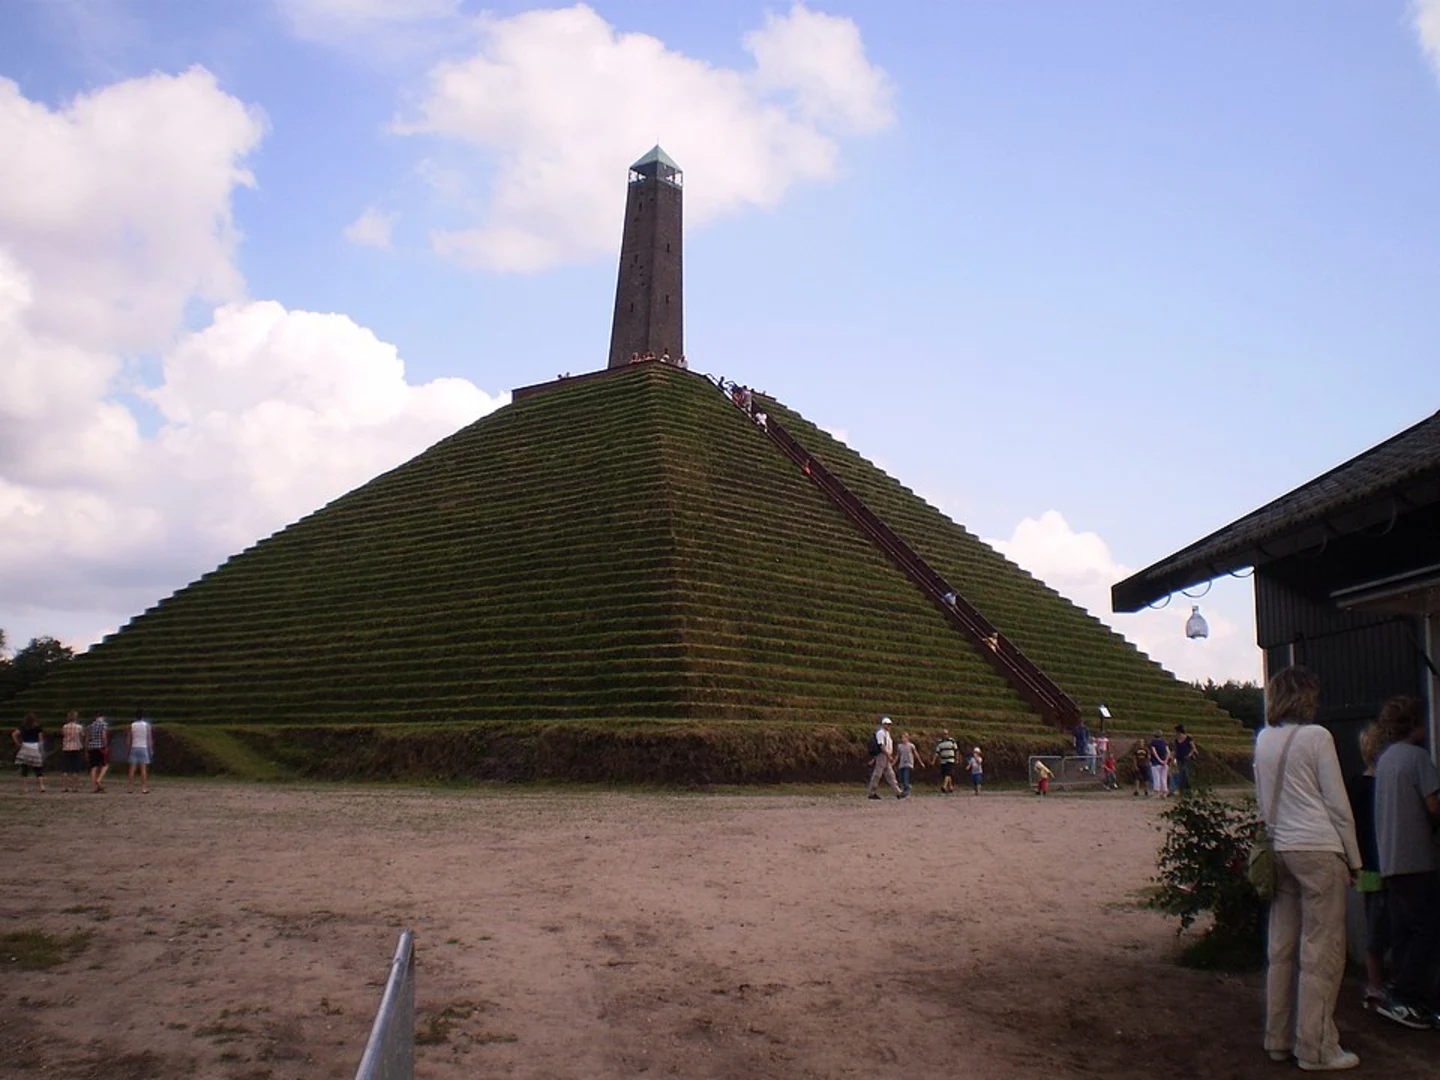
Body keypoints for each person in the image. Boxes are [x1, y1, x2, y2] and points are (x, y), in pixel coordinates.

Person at [1255, 665, 1361, 1071]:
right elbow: (1337, 804)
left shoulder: (1264, 739)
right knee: (1322, 950)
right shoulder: (1317, 737)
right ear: (1307, 697)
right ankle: (1316, 1048)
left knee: (1281, 947)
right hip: (1318, 848)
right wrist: (1355, 858)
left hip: (1281, 847)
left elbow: (1264, 799)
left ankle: (1277, 1038)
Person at [1372, 695, 1440, 1029]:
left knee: (1403, 932)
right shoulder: (1418, 758)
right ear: (1414, 723)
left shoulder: (1385, 760)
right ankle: (1407, 994)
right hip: (1417, 859)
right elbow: (1434, 806)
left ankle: (1401, 996)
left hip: (1391, 859)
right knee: (1428, 929)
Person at [1344, 722, 1390, 1014]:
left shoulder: (1356, 786)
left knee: (1375, 921)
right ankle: (1377, 984)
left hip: (1367, 865)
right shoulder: (1381, 787)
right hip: (1380, 864)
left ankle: (1376, 983)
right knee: (1379, 923)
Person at [867, 716, 902, 800]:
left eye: (889, 724)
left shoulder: (886, 733)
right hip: (882, 755)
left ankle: (898, 792)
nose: (889, 726)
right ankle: (872, 792)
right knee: (878, 774)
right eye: (887, 724)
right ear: (883, 724)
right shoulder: (881, 733)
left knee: (890, 775)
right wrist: (888, 755)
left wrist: (889, 755)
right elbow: (881, 745)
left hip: (885, 755)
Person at [11, 713, 46, 793]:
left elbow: (14, 734)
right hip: (34, 746)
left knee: (25, 768)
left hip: (25, 746)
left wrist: (17, 743)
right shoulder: (38, 727)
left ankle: (26, 787)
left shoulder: (23, 727)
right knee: (37, 767)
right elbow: (40, 738)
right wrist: (41, 748)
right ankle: (41, 786)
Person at [127, 708, 154, 794]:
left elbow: (129, 739)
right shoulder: (147, 725)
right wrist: (151, 749)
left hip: (134, 747)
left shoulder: (132, 725)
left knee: (132, 769)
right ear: (143, 716)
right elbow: (149, 739)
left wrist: (129, 749)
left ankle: (130, 788)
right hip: (143, 747)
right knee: (143, 769)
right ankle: (144, 788)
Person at [60, 710, 86, 793]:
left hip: (66, 748)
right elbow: (82, 736)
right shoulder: (79, 727)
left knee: (65, 768)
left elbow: (63, 735)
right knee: (75, 768)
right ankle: (75, 787)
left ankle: (65, 787)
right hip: (76, 748)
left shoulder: (64, 726)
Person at [87, 713, 110, 793]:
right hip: (100, 747)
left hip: (92, 747)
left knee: (94, 766)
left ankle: (94, 787)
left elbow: (88, 737)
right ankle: (99, 779)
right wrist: (105, 745)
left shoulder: (91, 726)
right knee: (105, 765)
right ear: (102, 717)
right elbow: (103, 736)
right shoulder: (103, 724)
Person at [894, 733, 922, 797]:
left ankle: (907, 790)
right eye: (902, 738)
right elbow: (897, 755)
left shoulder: (911, 746)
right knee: (901, 778)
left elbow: (916, 754)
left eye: (905, 737)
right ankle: (906, 788)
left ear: (907, 738)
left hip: (908, 763)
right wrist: (894, 763)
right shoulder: (900, 746)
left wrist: (920, 762)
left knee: (905, 777)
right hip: (902, 764)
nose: (903, 739)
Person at [1173, 724, 1199, 792]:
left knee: (1187, 772)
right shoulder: (1176, 740)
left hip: (1187, 758)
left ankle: (1189, 787)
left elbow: (1193, 748)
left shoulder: (1188, 739)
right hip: (1179, 758)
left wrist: (1189, 755)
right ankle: (1182, 788)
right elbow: (1175, 749)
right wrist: (1174, 758)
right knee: (1181, 773)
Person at [1147, 731, 1170, 798]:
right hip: (1165, 764)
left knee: (1156, 778)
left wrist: (1160, 760)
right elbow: (1168, 752)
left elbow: (1154, 752)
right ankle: (1164, 792)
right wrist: (1165, 761)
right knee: (1164, 778)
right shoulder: (1164, 743)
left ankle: (1157, 791)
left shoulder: (1153, 743)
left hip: (1155, 763)